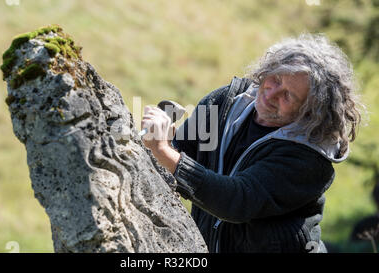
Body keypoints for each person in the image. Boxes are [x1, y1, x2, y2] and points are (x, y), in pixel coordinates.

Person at [140, 33, 363, 253]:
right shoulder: (227, 101)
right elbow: (178, 152)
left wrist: (163, 150)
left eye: (288, 96)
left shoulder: (308, 159)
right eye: (275, 79)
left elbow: (237, 200)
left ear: (309, 112)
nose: (271, 93)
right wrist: (158, 139)